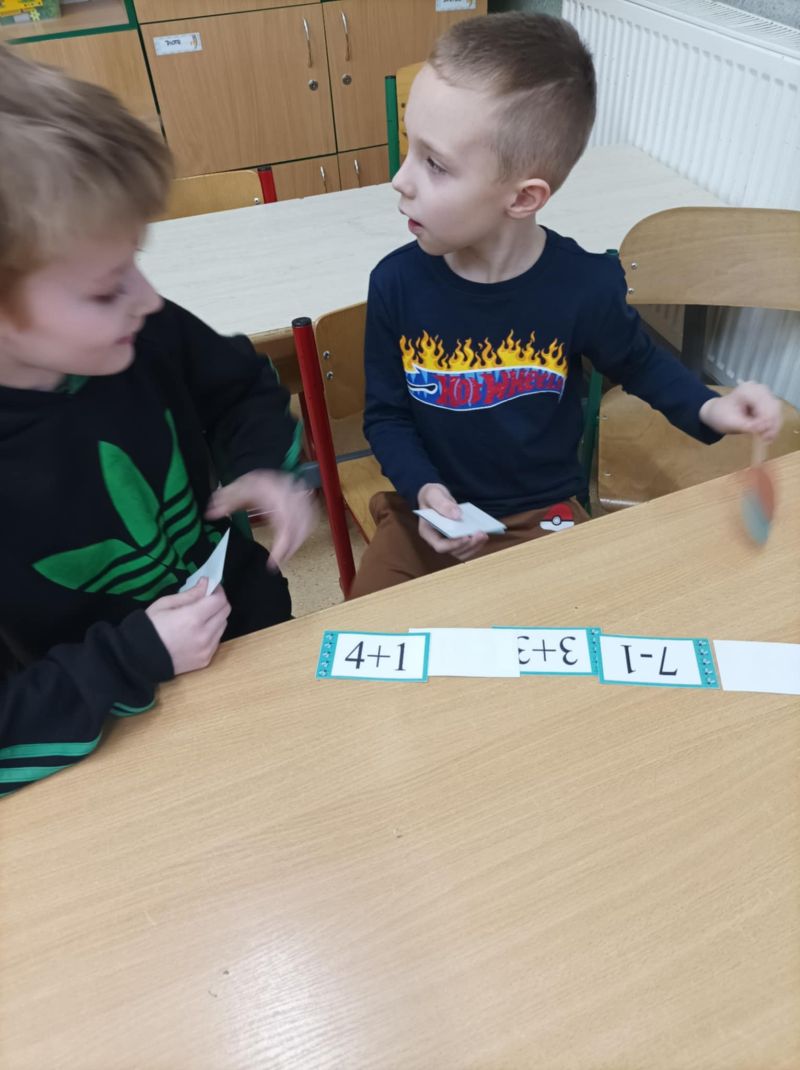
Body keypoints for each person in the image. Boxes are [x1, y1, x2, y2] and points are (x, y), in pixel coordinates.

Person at [350, 13, 782, 598]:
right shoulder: (395, 284)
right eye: (410, 147)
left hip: (540, 516)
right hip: (423, 515)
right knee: (361, 633)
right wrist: (425, 490)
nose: (400, 180)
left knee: (582, 631)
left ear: (523, 198)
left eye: (435, 163)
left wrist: (711, 408)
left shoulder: (584, 285)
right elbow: (386, 417)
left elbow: (639, 363)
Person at [0, 47, 316, 794]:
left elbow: (241, 386)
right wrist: (133, 656)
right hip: (113, 747)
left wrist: (262, 467)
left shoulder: (141, 329)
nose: (146, 299)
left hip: (253, 639)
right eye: (107, 286)